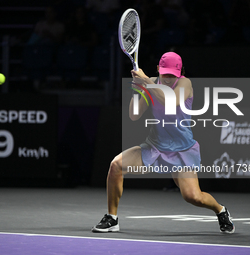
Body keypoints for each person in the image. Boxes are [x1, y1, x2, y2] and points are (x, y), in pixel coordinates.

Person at [91, 52, 235, 234]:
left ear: (180, 72)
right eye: (164, 73)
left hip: (182, 151)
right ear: (158, 69)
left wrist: (147, 83)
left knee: (193, 197)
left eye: (171, 75)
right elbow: (134, 115)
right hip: (155, 147)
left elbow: (170, 101)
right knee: (116, 166)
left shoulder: (185, 84)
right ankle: (112, 218)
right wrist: (138, 89)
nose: (167, 78)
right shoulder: (151, 82)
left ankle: (220, 210)